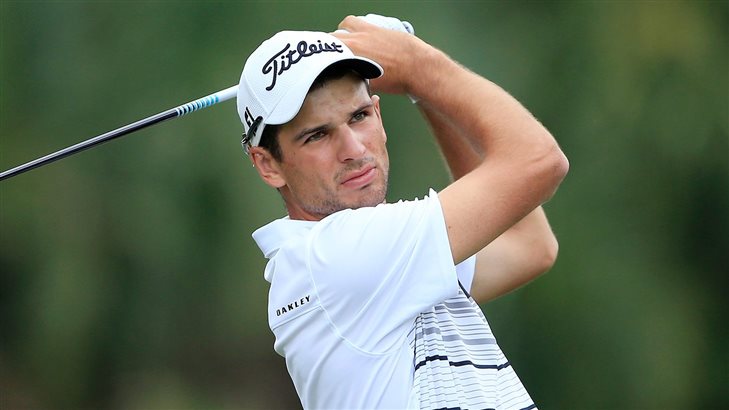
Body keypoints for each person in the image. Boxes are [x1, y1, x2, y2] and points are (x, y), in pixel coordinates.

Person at [237, 14, 569, 410]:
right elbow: (540, 162)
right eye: (318, 135)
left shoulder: (385, 265)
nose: (354, 149)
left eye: (359, 116)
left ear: (378, 114)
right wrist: (418, 65)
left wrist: (423, 88)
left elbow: (527, 245)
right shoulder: (337, 257)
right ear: (268, 164)